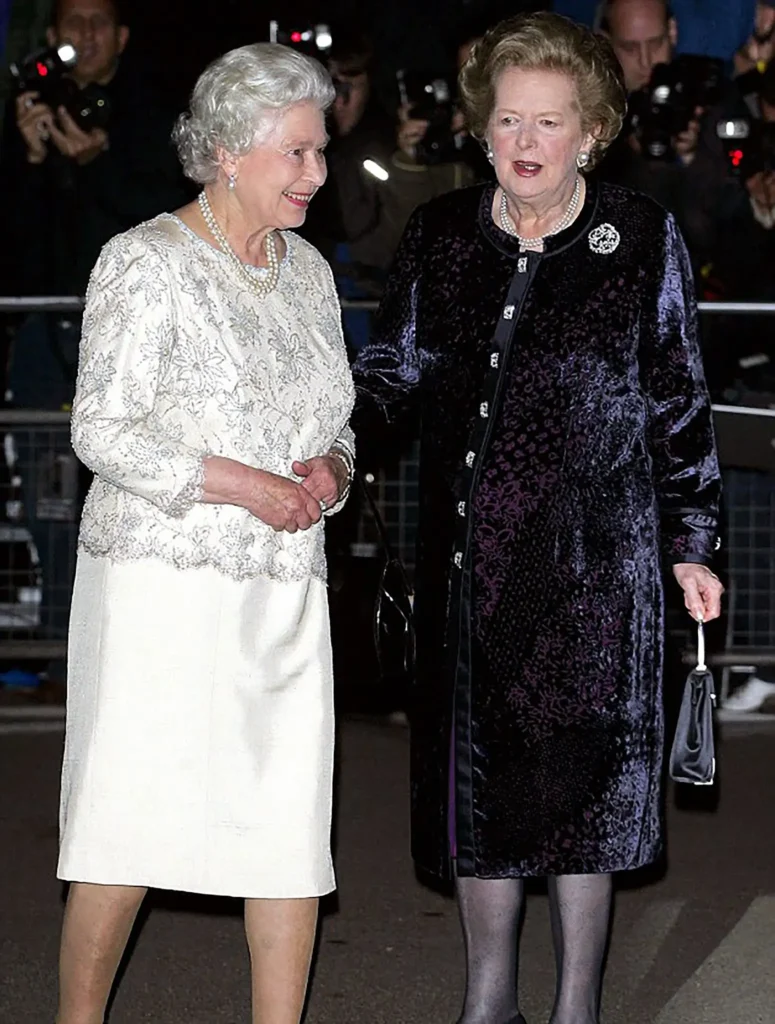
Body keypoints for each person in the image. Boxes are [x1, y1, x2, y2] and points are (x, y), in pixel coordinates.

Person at [353, 13, 723, 1024]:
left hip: (598, 576)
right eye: (508, 118)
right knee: (481, 789)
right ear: (482, 127)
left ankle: (573, 1009)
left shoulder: (637, 237)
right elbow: (392, 373)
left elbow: (677, 400)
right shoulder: (440, 234)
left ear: (590, 132)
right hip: (471, 574)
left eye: (549, 121)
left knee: (582, 796)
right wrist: (331, 443)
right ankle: (487, 1003)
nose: (524, 140)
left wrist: (692, 544)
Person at [55, 43, 355, 1024]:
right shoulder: (145, 261)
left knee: (286, 834)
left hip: (282, 588)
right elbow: (101, 430)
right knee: (126, 826)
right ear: (228, 150)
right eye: (297, 152)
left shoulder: (310, 272)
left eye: (320, 150)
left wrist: (331, 469)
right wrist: (240, 485)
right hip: (163, 590)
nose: (317, 172)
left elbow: (338, 422)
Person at [0, 0, 190, 673]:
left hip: (139, 337)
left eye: (99, 22)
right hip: (48, 337)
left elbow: (170, 220)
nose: (85, 35)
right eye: (72, 23)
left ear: (123, 35)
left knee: (141, 492)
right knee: (50, 498)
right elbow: (15, 249)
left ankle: (138, 658)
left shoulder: (156, 111)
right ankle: (60, 656)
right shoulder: (29, 108)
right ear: (52, 34)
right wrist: (29, 157)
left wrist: (98, 162)